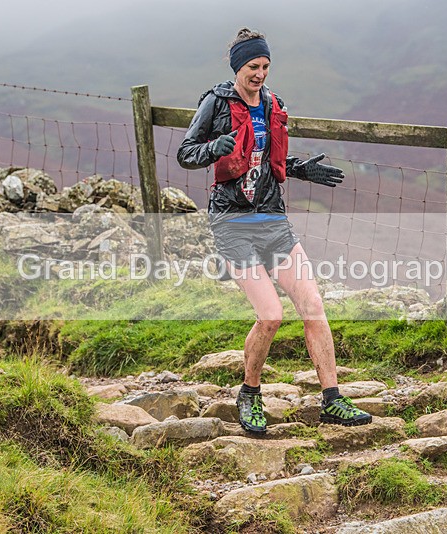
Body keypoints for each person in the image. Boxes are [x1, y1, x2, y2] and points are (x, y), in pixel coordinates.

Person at [177, 28, 372, 434]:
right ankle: (249, 394)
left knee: (313, 307)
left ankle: (333, 400)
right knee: (270, 315)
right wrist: (215, 147)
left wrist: (301, 168)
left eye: (265, 66)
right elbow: (186, 153)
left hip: (272, 219)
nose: (260, 74)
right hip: (232, 223)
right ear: (238, 67)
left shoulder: (272, 103)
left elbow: (268, 159)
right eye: (253, 66)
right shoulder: (216, 103)